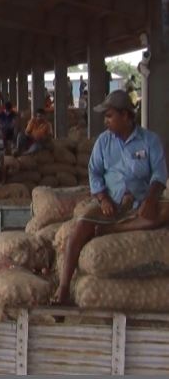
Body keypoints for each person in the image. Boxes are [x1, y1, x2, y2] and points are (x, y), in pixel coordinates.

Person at [53, 90, 169, 304]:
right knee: (80, 227)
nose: (106, 121)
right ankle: (63, 287)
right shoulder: (103, 142)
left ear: (126, 116)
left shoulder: (149, 140)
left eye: (109, 116)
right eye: (105, 117)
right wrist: (103, 199)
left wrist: (151, 199)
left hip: (141, 203)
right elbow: (94, 172)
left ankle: (113, 229)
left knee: (165, 211)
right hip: (112, 204)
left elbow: (160, 174)